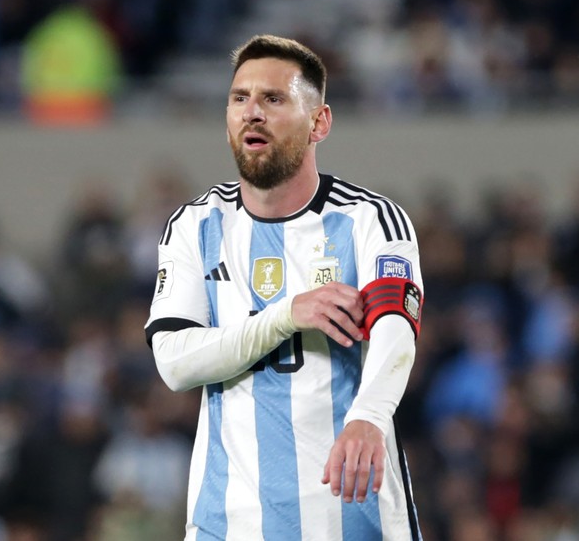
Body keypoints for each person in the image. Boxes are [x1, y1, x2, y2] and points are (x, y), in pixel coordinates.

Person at [145, 34, 425, 540]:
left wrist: (367, 417)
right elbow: (175, 361)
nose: (252, 112)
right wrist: (286, 314)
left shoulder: (370, 220)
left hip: (352, 514)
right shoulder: (195, 225)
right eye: (239, 98)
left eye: (273, 99)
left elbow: (396, 331)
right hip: (230, 522)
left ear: (319, 122)